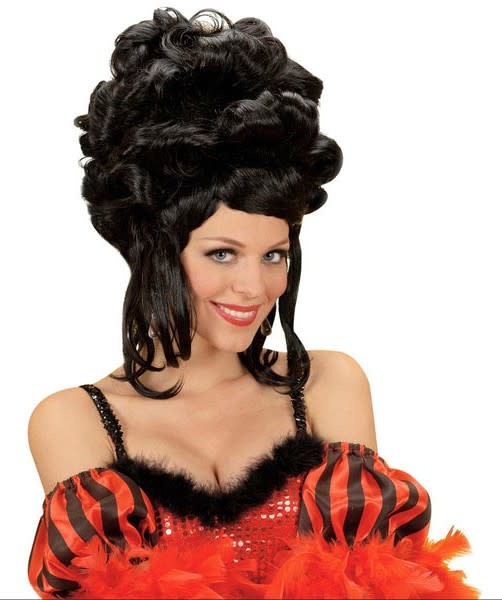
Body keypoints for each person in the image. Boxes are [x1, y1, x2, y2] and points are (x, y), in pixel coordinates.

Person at [27, 7, 478, 599]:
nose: (254, 287)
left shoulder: (325, 386)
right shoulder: (77, 420)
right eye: (222, 253)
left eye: (274, 255)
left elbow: (381, 584)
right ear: (156, 251)